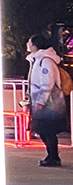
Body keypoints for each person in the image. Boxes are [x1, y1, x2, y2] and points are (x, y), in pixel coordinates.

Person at [26, 32, 66, 167]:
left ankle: (53, 157)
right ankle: (52, 156)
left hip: (49, 104)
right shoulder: (38, 60)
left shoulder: (45, 61)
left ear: (35, 45)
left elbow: (47, 83)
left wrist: (40, 101)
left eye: (29, 42)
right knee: (43, 130)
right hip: (42, 103)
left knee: (47, 130)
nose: (28, 44)